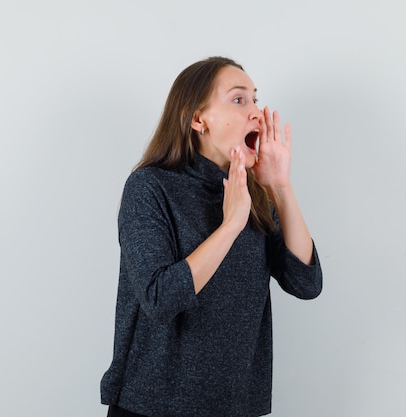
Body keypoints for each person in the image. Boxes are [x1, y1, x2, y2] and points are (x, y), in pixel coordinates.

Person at [100, 56, 323, 417]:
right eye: (239, 99)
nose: (256, 112)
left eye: (255, 98)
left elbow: (306, 282)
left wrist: (280, 186)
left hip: (235, 407)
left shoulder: (254, 194)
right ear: (196, 118)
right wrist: (230, 226)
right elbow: (159, 298)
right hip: (152, 406)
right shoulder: (149, 187)